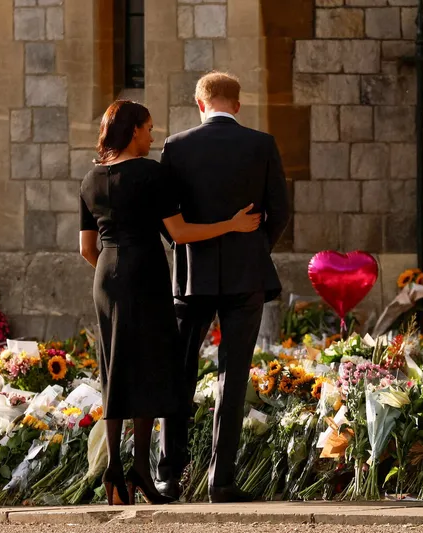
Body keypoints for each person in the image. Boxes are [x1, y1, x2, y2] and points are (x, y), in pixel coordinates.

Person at [78, 100, 262, 506]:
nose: (152, 136)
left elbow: (86, 248)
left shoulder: (91, 179)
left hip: (105, 275)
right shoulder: (150, 173)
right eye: (147, 129)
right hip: (145, 272)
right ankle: (141, 469)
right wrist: (230, 224)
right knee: (150, 364)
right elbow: (179, 233)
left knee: (114, 364)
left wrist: (112, 270)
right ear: (132, 132)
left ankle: (114, 471)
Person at [156, 72, 289, 503]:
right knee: (233, 376)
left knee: (179, 372)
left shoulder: (176, 146)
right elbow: (280, 211)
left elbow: (167, 220)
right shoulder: (262, 144)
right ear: (236, 104)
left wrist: (187, 250)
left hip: (191, 276)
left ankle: (169, 476)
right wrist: (253, 247)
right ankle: (221, 480)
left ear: (200, 104)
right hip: (245, 276)